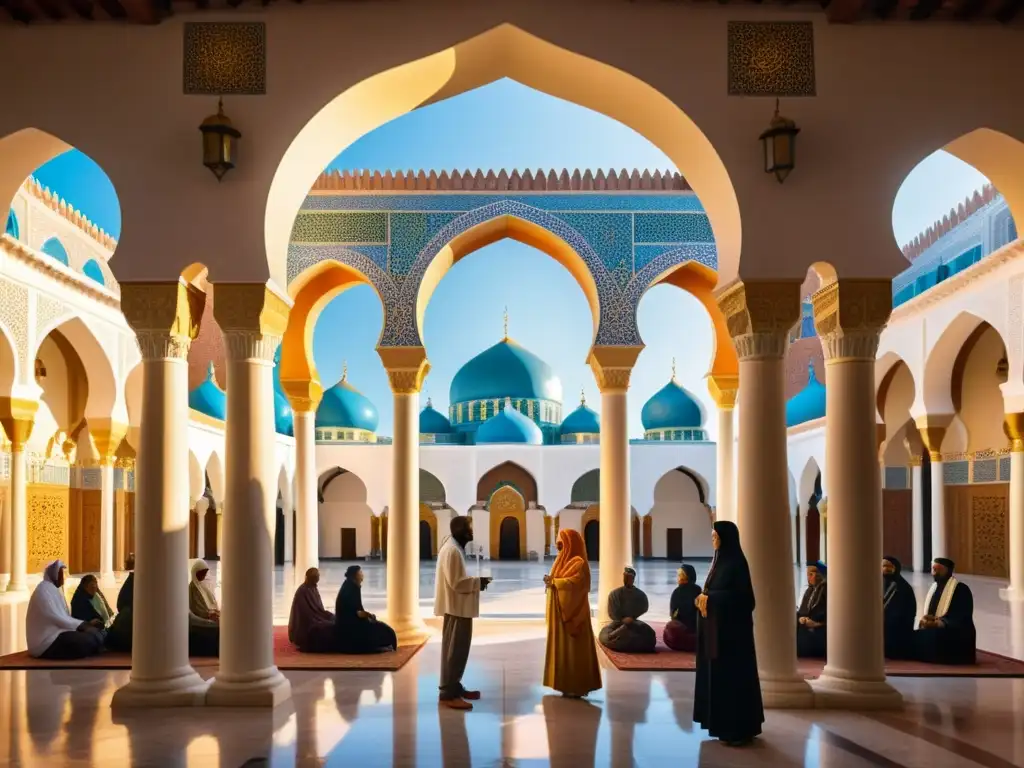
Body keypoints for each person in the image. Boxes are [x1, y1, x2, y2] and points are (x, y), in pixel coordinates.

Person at [693, 521, 763, 747]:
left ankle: (739, 729)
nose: (713, 540)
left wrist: (711, 599)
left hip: (734, 639)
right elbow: (711, 591)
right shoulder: (718, 563)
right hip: (717, 633)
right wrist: (703, 598)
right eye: (712, 536)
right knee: (719, 680)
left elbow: (745, 600)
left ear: (727, 538)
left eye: (716, 536)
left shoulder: (736, 563)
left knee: (734, 682)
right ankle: (722, 727)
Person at [434, 515, 491, 710]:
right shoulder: (452, 551)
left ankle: (454, 687)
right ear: (461, 531)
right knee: (455, 652)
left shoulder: (454, 548)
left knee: (457, 651)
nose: (472, 532)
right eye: (469, 528)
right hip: (456, 608)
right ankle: (448, 694)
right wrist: (479, 582)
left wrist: (477, 581)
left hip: (457, 606)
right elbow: (456, 582)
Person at [543, 528, 602, 698]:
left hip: (573, 613)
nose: (559, 549)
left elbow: (575, 584)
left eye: (561, 544)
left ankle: (578, 684)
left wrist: (554, 582)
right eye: (558, 545)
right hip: (559, 611)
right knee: (561, 647)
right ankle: (563, 682)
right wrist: (550, 581)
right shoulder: (561, 561)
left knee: (574, 648)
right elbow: (557, 580)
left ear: (570, 544)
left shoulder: (578, 562)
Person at [25, 560, 105, 660]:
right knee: (87, 640)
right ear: (53, 575)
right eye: (60, 574)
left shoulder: (53, 589)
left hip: (57, 634)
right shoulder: (44, 590)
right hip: (45, 642)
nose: (62, 578)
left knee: (91, 636)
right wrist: (83, 625)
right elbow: (56, 617)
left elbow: (64, 616)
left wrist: (84, 625)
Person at [915, 557, 976, 665]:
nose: (935, 573)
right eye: (933, 569)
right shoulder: (934, 588)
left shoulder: (961, 589)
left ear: (948, 571)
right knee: (914, 636)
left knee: (934, 640)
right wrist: (927, 619)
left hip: (956, 632)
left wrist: (940, 623)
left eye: (939, 570)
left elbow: (961, 617)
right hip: (936, 628)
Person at [335, 564, 398, 654]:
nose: (362, 575)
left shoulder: (352, 586)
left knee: (380, 626)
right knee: (378, 628)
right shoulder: (350, 589)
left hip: (352, 620)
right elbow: (357, 612)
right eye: (360, 573)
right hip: (348, 624)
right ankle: (376, 648)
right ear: (354, 576)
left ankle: (383, 646)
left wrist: (368, 616)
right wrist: (369, 616)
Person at [598, 566, 657, 653]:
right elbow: (612, 613)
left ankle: (625, 639)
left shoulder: (640, 595)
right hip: (618, 624)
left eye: (629, 577)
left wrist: (631, 618)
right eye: (625, 576)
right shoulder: (615, 594)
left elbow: (643, 608)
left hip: (634, 623)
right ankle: (627, 639)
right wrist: (623, 620)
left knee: (649, 634)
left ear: (633, 579)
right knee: (605, 635)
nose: (627, 579)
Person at [288, 567, 338, 653]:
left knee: (334, 618)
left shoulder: (313, 588)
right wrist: (320, 619)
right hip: (306, 625)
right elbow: (305, 614)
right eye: (316, 576)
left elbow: (319, 608)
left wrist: (326, 615)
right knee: (326, 626)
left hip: (317, 616)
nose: (318, 578)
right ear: (310, 577)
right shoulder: (302, 591)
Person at [882, 555, 917, 660]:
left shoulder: (903, 587)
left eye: (889, 566)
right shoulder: (878, 583)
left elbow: (903, 611)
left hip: (898, 625)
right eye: (883, 566)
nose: (885, 569)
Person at [664, 564, 701, 652]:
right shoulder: (697, 590)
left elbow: (673, 615)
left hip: (684, 629)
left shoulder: (677, 592)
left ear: (685, 577)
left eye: (680, 575)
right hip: (694, 629)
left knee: (670, 628)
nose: (678, 577)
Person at [796, 561, 827, 658]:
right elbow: (803, 610)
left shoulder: (826, 590)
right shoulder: (809, 590)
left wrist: (817, 623)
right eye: (807, 575)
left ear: (820, 574)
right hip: (807, 628)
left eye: (811, 574)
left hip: (821, 628)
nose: (808, 578)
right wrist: (802, 618)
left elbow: (833, 615)